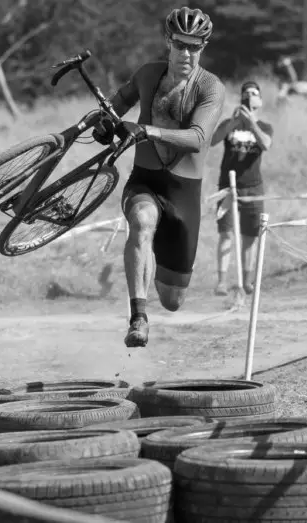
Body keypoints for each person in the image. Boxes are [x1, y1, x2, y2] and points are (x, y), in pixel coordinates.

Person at [92, 6, 226, 348]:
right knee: (141, 222)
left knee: (173, 300)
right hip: (146, 180)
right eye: (181, 44)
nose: (187, 53)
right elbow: (114, 105)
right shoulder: (148, 74)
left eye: (195, 47)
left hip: (184, 194)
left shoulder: (210, 87)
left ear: (203, 47)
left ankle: (149, 265)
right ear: (168, 41)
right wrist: (103, 123)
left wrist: (147, 130)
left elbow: (198, 138)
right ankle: (138, 317)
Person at [210, 80, 273, 296]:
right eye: (245, 93)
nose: (249, 96)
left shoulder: (265, 126)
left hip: (253, 188)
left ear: (260, 100)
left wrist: (251, 123)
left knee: (250, 236)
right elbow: (212, 141)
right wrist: (234, 122)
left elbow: (266, 144)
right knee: (226, 233)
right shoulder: (230, 123)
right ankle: (222, 281)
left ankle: (247, 281)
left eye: (254, 93)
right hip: (228, 187)